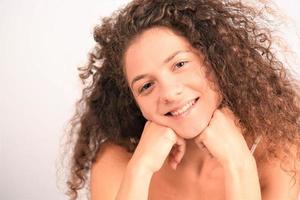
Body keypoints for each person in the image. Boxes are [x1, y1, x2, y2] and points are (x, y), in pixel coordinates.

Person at [65, 0, 300, 199]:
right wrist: (141, 169)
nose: (168, 93)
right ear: (133, 101)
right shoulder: (118, 159)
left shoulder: (282, 152)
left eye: (179, 64)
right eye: (146, 86)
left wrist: (238, 163)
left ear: (215, 59)